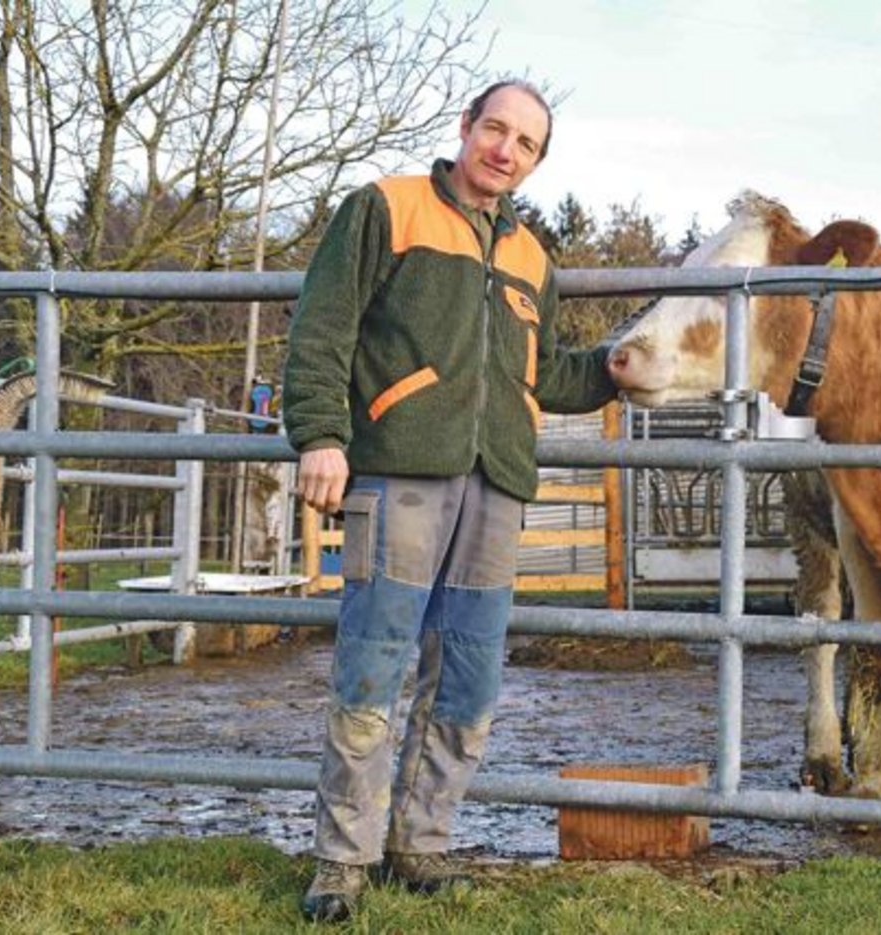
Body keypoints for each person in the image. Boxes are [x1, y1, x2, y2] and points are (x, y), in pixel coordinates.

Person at [283, 79, 619, 923]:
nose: (506, 150)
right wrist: (320, 434)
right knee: (373, 662)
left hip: (495, 483)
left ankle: (419, 843)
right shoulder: (385, 208)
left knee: (469, 677)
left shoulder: (532, 257)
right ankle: (342, 860)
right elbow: (324, 326)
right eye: (495, 129)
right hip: (397, 471)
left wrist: (618, 365)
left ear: (536, 161)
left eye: (526, 143)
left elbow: (545, 373)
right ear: (466, 127)